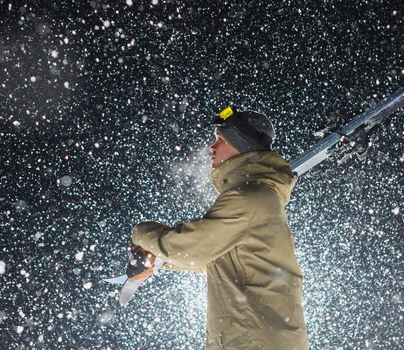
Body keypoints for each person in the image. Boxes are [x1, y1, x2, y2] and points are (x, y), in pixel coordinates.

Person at [129, 105, 308, 349]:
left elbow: (190, 248)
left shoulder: (247, 199)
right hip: (262, 337)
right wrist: (159, 260)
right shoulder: (260, 198)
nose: (212, 148)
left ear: (241, 146)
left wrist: (140, 234)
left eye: (220, 139)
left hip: (251, 339)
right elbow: (219, 259)